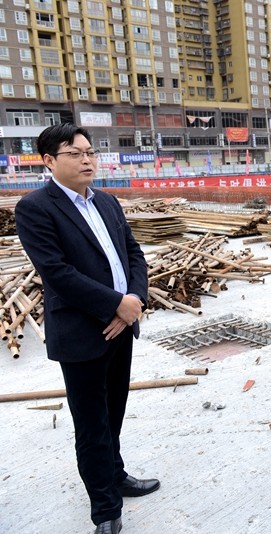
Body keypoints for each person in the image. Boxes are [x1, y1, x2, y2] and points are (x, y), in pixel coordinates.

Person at [14, 123, 157, 534]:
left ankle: (116, 475)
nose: (87, 160)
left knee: (114, 413)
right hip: (82, 332)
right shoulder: (36, 208)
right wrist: (116, 304)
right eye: (74, 153)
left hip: (121, 327)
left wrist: (134, 300)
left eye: (90, 152)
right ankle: (106, 510)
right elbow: (57, 273)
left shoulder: (107, 202)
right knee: (92, 425)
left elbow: (133, 254)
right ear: (49, 161)